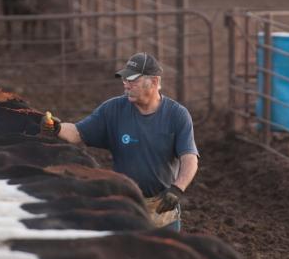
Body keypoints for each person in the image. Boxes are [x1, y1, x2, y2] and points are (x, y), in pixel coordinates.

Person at [40, 51, 199, 231]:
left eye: (133, 81)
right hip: (125, 206)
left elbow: (189, 158)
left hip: (163, 208)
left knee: (165, 258)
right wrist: (57, 128)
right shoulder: (113, 110)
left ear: (154, 82)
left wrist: (177, 189)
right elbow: (77, 132)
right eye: (125, 80)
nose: (126, 85)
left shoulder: (177, 115)